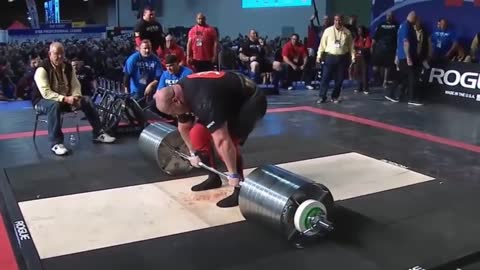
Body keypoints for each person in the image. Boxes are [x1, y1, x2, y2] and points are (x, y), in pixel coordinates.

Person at [154, 71, 267, 208]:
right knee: (197, 134)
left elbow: (222, 141)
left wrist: (232, 175)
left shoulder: (202, 99)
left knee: (229, 140)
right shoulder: (180, 92)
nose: (175, 115)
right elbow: (183, 127)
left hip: (250, 100)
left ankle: (239, 188)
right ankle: (213, 177)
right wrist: (193, 153)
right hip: (224, 99)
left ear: (176, 100)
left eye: (173, 112)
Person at [33, 42, 115, 156]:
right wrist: (65, 99)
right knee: (54, 105)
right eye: (57, 54)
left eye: (62, 53)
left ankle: (98, 133)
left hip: (65, 98)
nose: (60, 56)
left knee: (86, 100)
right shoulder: (42, 69)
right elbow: (46, 93)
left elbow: (75, 84)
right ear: (50, 54)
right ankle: (56, 143)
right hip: (42, 101)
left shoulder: (68, 66)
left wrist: (76, 97)